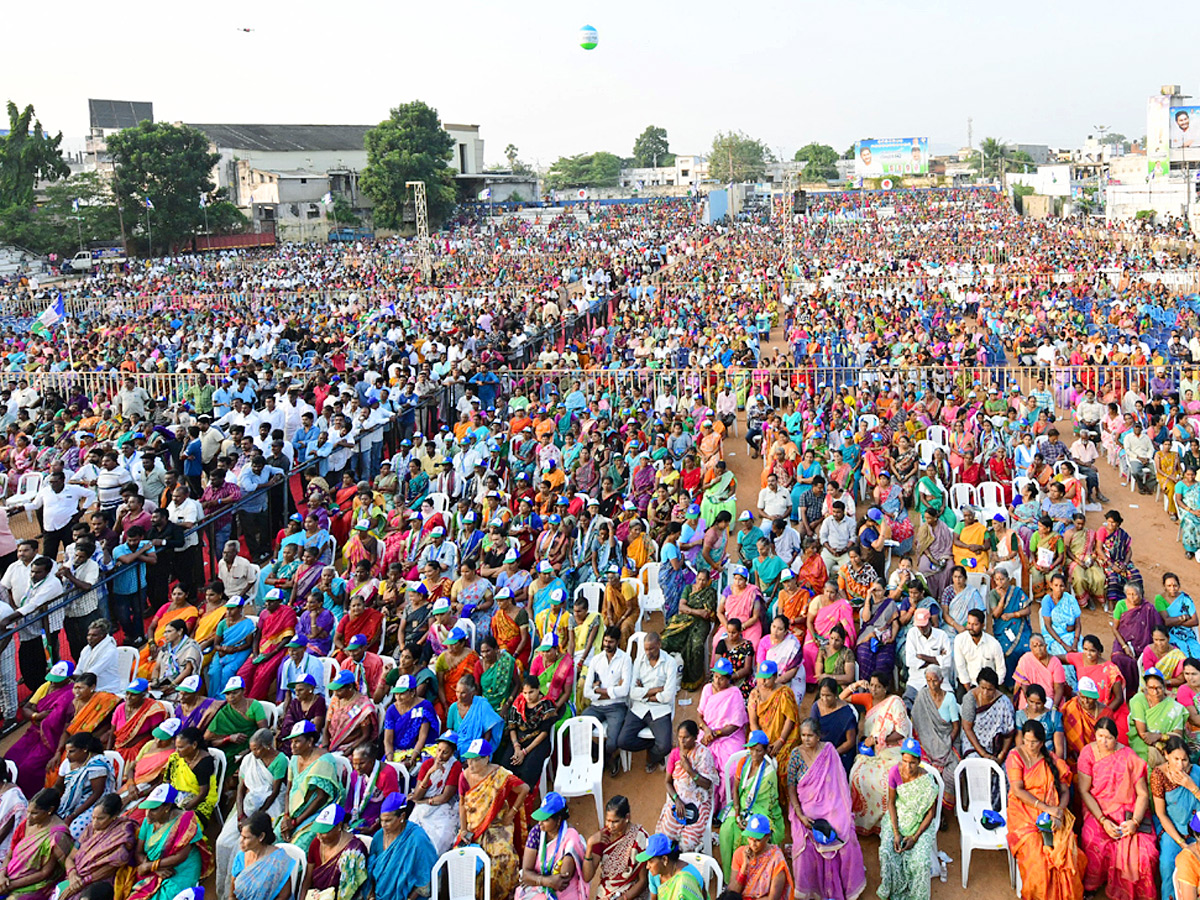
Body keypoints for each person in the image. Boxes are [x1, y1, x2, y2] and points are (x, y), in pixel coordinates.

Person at [1076, 716, 1158, 900]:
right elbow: (1084, 791)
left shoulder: (1128, 756)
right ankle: (1092, 885)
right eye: (1099, 736)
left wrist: (1134, 822)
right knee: (1091, 839)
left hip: (1129, 809)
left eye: (1108, 738)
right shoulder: (1087, 753)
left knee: (1145, 852)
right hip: (1098, 809)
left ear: (1116, 738)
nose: (1103, 742)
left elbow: (1143, 794)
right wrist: (1103, 820)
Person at [785, 718, 866, 900]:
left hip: (832, 806)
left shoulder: (828, 752)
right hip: (804, 810)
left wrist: (839, 812)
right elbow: (790, 785)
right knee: (804, 846)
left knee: (847, 838)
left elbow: (839, 785)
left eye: (810, 736)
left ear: (819, 735)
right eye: (803, 735)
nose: (806, 740)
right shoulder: (796, 755)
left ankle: (846, 887)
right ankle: (812, 891)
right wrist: (800, 814)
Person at [1005, 719, 1085, 900]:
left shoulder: (1051, 760)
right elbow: (1017, 790)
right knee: (1038, 858)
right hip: (1023, 813)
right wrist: (1046, 808)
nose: (1029, 745)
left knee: (1068, 853)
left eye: (1033, 742)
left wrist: (1058, 812)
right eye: (1026, 741)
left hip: (1052, 813)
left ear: (1041, 742)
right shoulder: (1015, 756)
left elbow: (1064, 791)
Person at [216, 729, 288, 899]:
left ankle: (240, 890)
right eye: (252, 748)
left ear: (268, 747)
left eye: (257, 749)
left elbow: (275, 791)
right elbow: (241, 789)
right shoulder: (249, 760)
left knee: (239, 848)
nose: (254, 752)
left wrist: (257, 816)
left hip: (269, 806)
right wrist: (241, 815)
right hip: (248, 804)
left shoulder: (280, 760)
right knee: (222, 842)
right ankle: (223, 892)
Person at [455, 738, 530, 900]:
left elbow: (524, 788)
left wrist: (511, 813)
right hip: (474, 826)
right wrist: (463, 829)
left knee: (505, 858)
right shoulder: (464, 776)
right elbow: (462, 804)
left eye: (475, 760)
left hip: (497, 825)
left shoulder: (500, 775)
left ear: (487, 758)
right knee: (460, 860)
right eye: (469, 759)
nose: (471, 764)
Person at [849, 673, 912, 834]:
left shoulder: (895, 702)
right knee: (856, 775)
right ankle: (864, 823)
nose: (874, 689)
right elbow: (843, 698)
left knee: (887, 782)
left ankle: (888, 826)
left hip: (893, 749)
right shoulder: (867, 699)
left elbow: (902, 732)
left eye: (878, 686)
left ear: (885, 688)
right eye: (871, 685)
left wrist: (879, 739)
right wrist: (855, 685)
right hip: (873, 751)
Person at [127, 784, 212, 900]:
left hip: (180, 869)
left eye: (154, 809)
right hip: (156, 868)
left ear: (167, 807)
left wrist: (150, 866)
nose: (148, 813)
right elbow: (139, 852)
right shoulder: (148, 821)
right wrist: (154, 868)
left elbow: (180, 856)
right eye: (147, 808)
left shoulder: (185, 821)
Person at [718, 731, 784, 880]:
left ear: (766, 751)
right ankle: (730, 879)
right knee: (726, 830)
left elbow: (768, 804)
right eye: (752, 749)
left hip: (761, 811)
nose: (754, 754)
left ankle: (750, 879)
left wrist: (749, 819)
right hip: (740, 807)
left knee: (751, 834)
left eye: (759, 750)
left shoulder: (769, 773)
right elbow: (735, 789)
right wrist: (737, 812)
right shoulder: (743, 763)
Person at [877, 739, 938, 900]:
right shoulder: (894, 773)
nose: (907, 767)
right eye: (904, 761)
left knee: (921, 862)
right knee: (886, 850)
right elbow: (891, 802)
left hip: (920, 824)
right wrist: (896, 833)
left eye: (912, 763)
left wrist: (915, 837)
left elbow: (930, 814)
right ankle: (893, 889)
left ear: (919, 762)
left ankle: (916, 896)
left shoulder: (928, 783)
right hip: (898, 817)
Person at [619, 631, 678, 773]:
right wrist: (655, 690)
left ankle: (652, 756)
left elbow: (668, 695)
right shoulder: (639, 660)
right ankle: (651, 745)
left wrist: (644, 692)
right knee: (623, 741)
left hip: (660, 709)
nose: (648, 652)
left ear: (659, 644)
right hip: (639, 708)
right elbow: (632, 692)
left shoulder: (670, 663)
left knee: (665, 746)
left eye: (651, 648)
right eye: (646, 649)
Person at [278, 721, 344, 852]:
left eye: (297, 741)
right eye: (291, 742)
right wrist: (286, 817)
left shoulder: (324, 761)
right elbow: (289, 790)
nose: (293, 746)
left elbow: (320, 798)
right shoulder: (294, 759)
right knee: (274, 838)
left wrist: (295, 822)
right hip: (292, 813)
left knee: (297, 848)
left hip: (316, 813)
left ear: (310, 741)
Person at [58, 793, 136, 900]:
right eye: (93, 817)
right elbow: (70, 857)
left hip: (98, 883)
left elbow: (107, 869)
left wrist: (78, 884)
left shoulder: (123, 834)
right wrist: (72, 874)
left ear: (114, 817)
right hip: (75, 878)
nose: (95, 823)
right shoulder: (90, 829)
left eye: (100, 818)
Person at [655, 720, 718, 852]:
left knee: (686, 845)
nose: (682, 741)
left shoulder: (703, 754)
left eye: (686, 737)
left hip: (699, 803)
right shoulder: (674, 754)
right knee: (665, 839)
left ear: (695, 737)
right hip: (678, 801)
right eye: (679, 737)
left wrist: (689, 769)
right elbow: (667, 782)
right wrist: (677, 800)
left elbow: (707, 785)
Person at [1151, 736, 1200, 900]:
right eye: (1176, 759)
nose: (1181, 765)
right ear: (1166, 755)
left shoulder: (1197, 772)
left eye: (1184, 760)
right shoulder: (1159, 776)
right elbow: (1161, 813)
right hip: (1171, 829)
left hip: (1197, 831)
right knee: (1167, 863)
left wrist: (1191, 787)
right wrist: (1181, 843)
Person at [0, 789, 71, 900]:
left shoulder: (57, 835)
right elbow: (10, 854)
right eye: (28, 811)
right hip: (8, 878)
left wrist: (10, 885)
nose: (28, 816)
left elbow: (44, 873)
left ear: (50, 810)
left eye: (34, 813)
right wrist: (2, 875)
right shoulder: (27, 823)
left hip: (33, 886)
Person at [697, 658, 749, 808]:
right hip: (707, 733)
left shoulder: (735, 694)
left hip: (729, 737)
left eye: (721, 678)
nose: (717, 681)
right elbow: (700, 714)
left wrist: (715, 734)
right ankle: (707, 808)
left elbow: (734, 724)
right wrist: (706, 730)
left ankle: (727, 807)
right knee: (701, 765)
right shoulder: (707, 689)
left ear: (728, 679)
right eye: (715, 677)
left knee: (732, 770)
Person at [515, 791, 587, 900]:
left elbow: (563, 880)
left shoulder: (570, 837)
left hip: (564, 892)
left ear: (558, 820)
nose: (540, 823)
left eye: (546, 820)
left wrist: (539, 880)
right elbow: (526, 874)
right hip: (538, 887)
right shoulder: (536, 833)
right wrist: (547, 881)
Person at [367, 792, 438, 900]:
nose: (383, 825)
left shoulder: (417, 839)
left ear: (402, 816)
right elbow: (371, 869)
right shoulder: (378, 837)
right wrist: (371, 895)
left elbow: (425, 878)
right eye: (382, 820)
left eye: (388, 820)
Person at [581, 795, 649, 900]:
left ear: (627, 818)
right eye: (608, 820)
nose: (610, 826)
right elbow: (587, 877)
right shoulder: (602, 837)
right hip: (606, 892)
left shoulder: (640, 838)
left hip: (631, 892)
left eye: (615, 821)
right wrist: (590, 845)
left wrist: (624, 898)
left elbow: (643, 881)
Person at [661, 569, 717, 692]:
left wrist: (689, 609)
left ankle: (693, 680)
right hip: (683, 620)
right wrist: (695, 612)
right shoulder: (688, 589)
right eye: (699, 579)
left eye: (704, 580)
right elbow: (681, 607)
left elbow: (707, 614)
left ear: (708, 581)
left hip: (701, 624)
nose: (701, 582)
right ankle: (665, 676)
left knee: (696, 646)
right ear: (696, 578)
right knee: (665, 640)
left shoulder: (710, 592)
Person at [299, 803, 369, 900]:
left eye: (325, 832)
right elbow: (307, 879)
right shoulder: (316, 843)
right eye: (318, 831)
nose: (319, 836)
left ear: (339, 826)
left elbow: (351, 891)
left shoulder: (354, 851)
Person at [409, 731, 460, 855]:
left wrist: (423, 801)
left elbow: (444, 798)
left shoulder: (455, 766)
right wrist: (429, 774)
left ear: (452, 753)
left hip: (443, 809)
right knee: (411, 836)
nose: (440, 755)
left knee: (439, 840)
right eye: (439, 750)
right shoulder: (427, 765)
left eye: (445, 752)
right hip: (423, 808)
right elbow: (416, 795)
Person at [55, 732, 114, 842]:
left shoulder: (97, 763)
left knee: (73, 831)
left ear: (85, 749)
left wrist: (73, 815)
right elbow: (58, 786)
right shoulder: (67, 763)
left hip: (94, 803)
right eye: (67, 751)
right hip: (73, 802)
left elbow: (97, 793)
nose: (68, 755)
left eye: (72, 751)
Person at [228, 812, 297, 900]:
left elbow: (284, 896)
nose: (241, 841)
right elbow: (232, 895)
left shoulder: (278, 861)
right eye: (241, 836)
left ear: (261, 836)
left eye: (246, 838)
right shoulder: (240, 857)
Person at [1128, 668, 1187, 765]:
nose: (1155, 692)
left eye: (1159, 688)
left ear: (1164, 686)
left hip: (1168, 744)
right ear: (1146, 687)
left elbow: (1178, 735)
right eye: (1151, 688)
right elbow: (1143, 734)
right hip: (1142, 742)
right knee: (1144, 762)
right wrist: (1157, 745)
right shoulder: (1138, 700)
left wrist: (1159, 737)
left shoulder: (1175, 707)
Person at [728, 813, 793, 900]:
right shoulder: (740, 853)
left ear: (768, 837)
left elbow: (773, 898)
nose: (753, 844)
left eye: (757, 840)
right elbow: (733, 892)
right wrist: (744, 868)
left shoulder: (776, 860)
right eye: (750, 839)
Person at [747, 661, 800, 767]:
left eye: (767, 678)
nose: (763, 681)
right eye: (761, 678)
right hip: (760, 738)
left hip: (781, 738)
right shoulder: (754, 694)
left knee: (784, 763)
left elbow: (790, 719)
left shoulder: (784, 693)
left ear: (775, 676)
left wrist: (780, 741)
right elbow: (753, 722)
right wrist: (761, 743)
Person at [961, 666, 1016, 763]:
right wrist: (983, 753)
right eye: (983, 688)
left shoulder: (1004, 702)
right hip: (974, 744)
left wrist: (1001, 755)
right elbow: (967, 728)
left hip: (997, 747)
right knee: (974, 763)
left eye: (990, 689)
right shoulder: (970, 698)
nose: (985, 692)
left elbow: (1008, 733)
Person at [813, 676, 859, 776]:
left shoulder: (846, 713)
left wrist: (833, 753)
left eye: (828, 695)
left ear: (835, 695)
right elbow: (812, 731)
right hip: (821, 750)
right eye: (822, 695)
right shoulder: (816, 707)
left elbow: (850, 742)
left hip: (841, 753)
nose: (824, 699)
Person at [635, 833, 704, 900]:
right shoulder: (654, 874)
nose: (647, 867)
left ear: (664, 859)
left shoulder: (686, 879)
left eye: (650, 861)